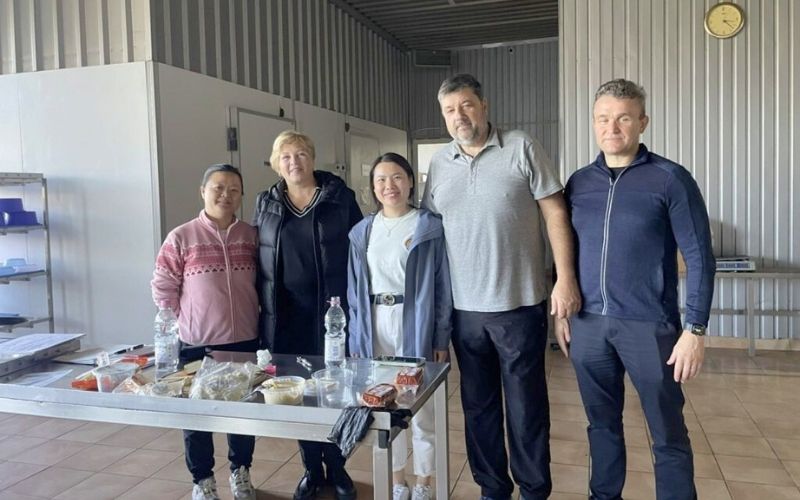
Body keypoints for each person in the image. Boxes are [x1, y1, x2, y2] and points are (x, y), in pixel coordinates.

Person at [422, 73, 581, 500]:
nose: (460, 116)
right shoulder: (439, 164)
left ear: (485, 105)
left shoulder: (521, 147)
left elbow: (555, 214)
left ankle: (533, 490)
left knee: (526, 408)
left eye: (467, 105)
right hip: (465, 313)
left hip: (520, 305)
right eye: (450, 110)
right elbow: (430, 233)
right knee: (478, 408)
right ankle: (492, 488)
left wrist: (564, 279)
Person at [556, 78, 716, 500]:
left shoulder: (670, 180)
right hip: (589, 326)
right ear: (593, 123)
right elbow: (564, 252)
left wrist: (694, 330)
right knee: (601, 425)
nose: (613, 128)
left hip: (650, 327)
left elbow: (700, 257)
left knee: (667, 431)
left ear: (642, 122)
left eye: (624, 118)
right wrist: (562, 312)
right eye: (604, 119)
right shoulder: (578, 183)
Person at [252, 130, 362, 500]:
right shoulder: (266, 202)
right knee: (297, 395)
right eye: (285, 156)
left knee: (335, 393)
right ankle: (312, 470)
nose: (293, 162)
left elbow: (362, 249)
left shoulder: (339, 197)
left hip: (332, 316)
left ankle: (339, 467)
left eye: (300, 154)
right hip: (285, 318)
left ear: (313, 159)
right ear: (275, 162)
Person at [347, 152, 453, 500]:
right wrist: (357, 338)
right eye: (381, 179)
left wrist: (440, 334)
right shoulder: (362, 232)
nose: (389, 186)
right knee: (383, 405)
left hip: (414, 323)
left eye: (396, 178)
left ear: (410, 181)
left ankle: (424, 481)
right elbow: (353, 291)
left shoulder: (429, 226)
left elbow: (441, 288)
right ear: (372, 187)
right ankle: (398, 478)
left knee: (418, 405)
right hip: (375, 325)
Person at [151, 164, 259, 500]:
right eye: (218, 187)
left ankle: (241, 472)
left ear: (241, 195)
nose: (225, 195)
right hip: (197, 343)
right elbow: (163, 286)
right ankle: (202, 481)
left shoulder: (251, 236)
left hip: (244, 339)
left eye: (234, 190)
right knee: (196, 415)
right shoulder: (181, 237)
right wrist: (179, 322)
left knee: (243, 412)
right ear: (203, 191)